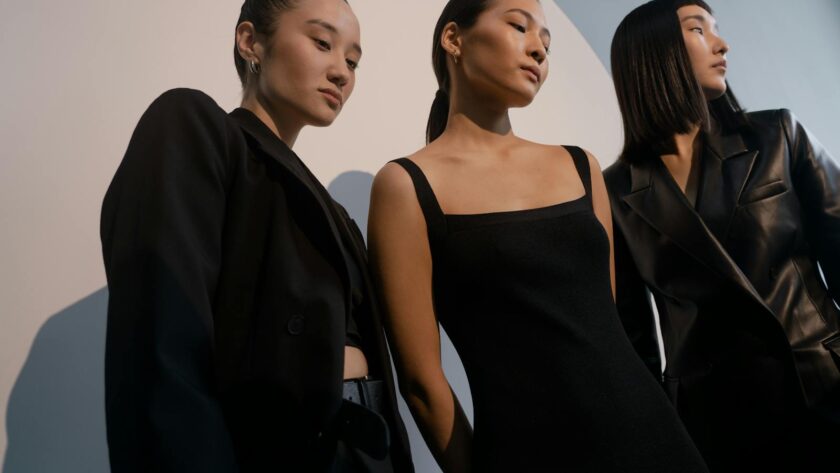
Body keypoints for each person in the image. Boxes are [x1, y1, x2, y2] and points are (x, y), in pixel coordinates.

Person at [367, 0, 709, 471]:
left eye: (546, 41)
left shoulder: (579, 165)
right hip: (528, 455)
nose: (538, 50)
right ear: (454, 40)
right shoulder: (406, 186)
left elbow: (603, 327)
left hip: (655, 440)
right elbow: (422, 383)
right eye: (518, 26)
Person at [100, 0, 413, 471]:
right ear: (250, 41)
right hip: (276, 450)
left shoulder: (336, 214)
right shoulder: (195, 127)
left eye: (352, 60)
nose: (342, 72)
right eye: (322, 43)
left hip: (366, 448)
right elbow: (162, 349)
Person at [605, 1, 840, 471]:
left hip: (822, 386)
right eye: (698, 29)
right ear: (654, 54)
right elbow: (635, 342)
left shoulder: (777, 135)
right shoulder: (617, 192)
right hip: (720, 426)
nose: (722, 43)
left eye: (717, 29)